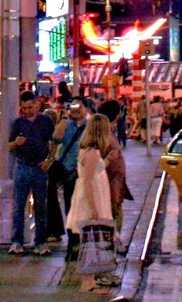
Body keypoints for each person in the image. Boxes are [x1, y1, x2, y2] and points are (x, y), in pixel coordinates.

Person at [68, 114, 120, 293]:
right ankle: (87, 281)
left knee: (91, 240)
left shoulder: (91, 152)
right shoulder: (91, 153)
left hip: (94, 197)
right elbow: (89, 180)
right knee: (90, 241)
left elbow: (94, 171)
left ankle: (90, 279)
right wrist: (93, 208)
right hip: (92, 199)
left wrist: (108, 160)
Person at [8, 91, 54, 255]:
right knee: (18, 205)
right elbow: (8, 146)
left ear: (37, 105)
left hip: (40, 167)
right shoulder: (18, 123)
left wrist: (49, 160)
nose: (27, 111)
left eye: (30, 107)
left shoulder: (46, 121)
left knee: (40, 206)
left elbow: (54, 142)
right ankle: (17, 241)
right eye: (24, 108)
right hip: (22, 166)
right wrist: (16, 143)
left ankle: (40, 242)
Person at [47, 103, 86, 255]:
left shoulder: (90, 125)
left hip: (85, 171)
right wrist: (64, 117)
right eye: (73, 107)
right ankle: (73, 241)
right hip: (68, 171)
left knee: (82, 207)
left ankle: (81, 239)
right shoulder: (67, 125)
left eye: (79, 107)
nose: (76, 110)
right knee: (70, 206)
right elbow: (56, 138)